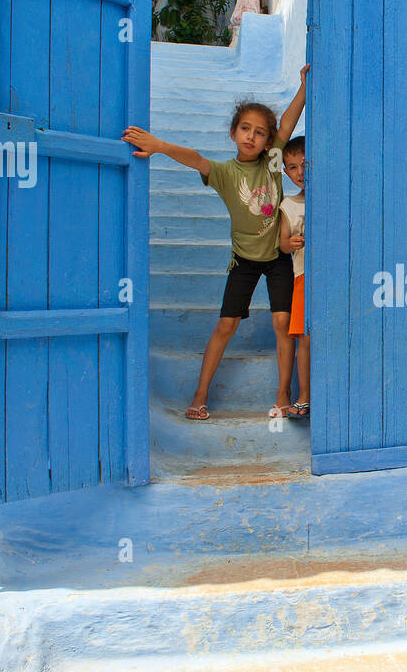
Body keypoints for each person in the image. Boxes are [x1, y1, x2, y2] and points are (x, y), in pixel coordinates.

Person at [122, 65, 308, 420]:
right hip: (244, 260)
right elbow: (196, 159)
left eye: (259, 133)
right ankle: (200, 392)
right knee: (226, 325)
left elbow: (286, 122)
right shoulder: (225, 174)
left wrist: (303, 88)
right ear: (234, 132)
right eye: (245, 129)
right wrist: (159, 146)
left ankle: (283, 394)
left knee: (282, 323)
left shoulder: (272, 162)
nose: (251, 137)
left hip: (278, 258)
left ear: (269, 141)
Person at [277, 137, 308, 420]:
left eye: (304, 164)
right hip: (301, 278)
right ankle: (304, 396)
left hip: (330, 277)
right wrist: (291, 243)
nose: (300, 172)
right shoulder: (289, 205)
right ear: (285, 172)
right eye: (292, 167)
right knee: (305, 340)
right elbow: (282, 243)